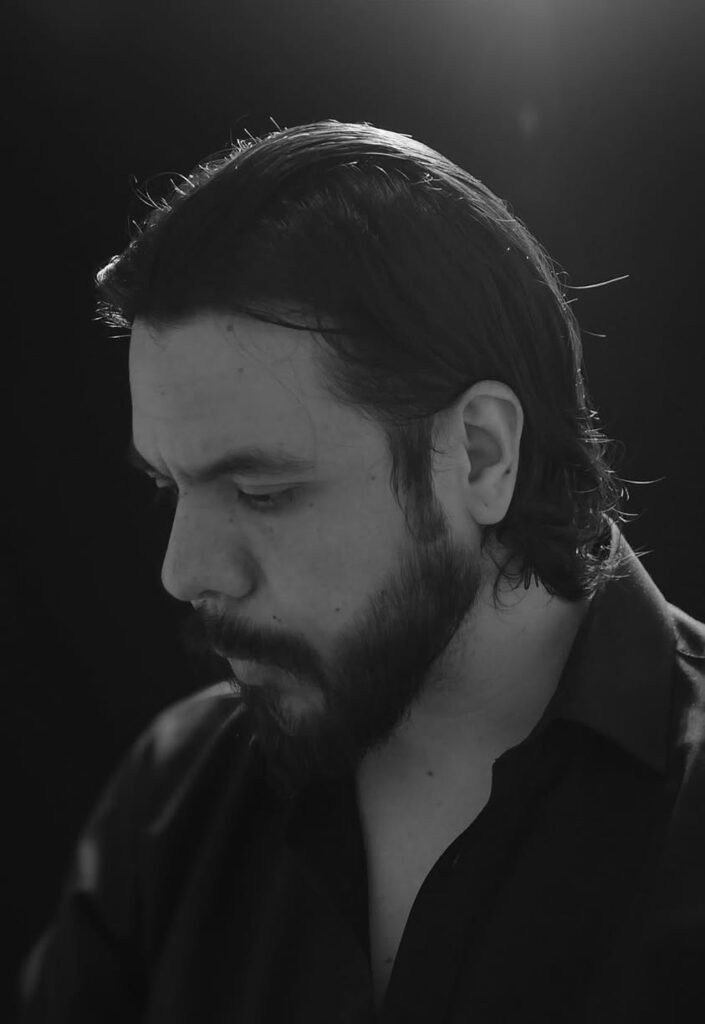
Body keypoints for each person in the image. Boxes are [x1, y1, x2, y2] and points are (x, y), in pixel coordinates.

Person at [18, 120, 705, 1023]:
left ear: (481, 454)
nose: (183, 572)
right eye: (167, 486)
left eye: (263, 492)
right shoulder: (174, 798)